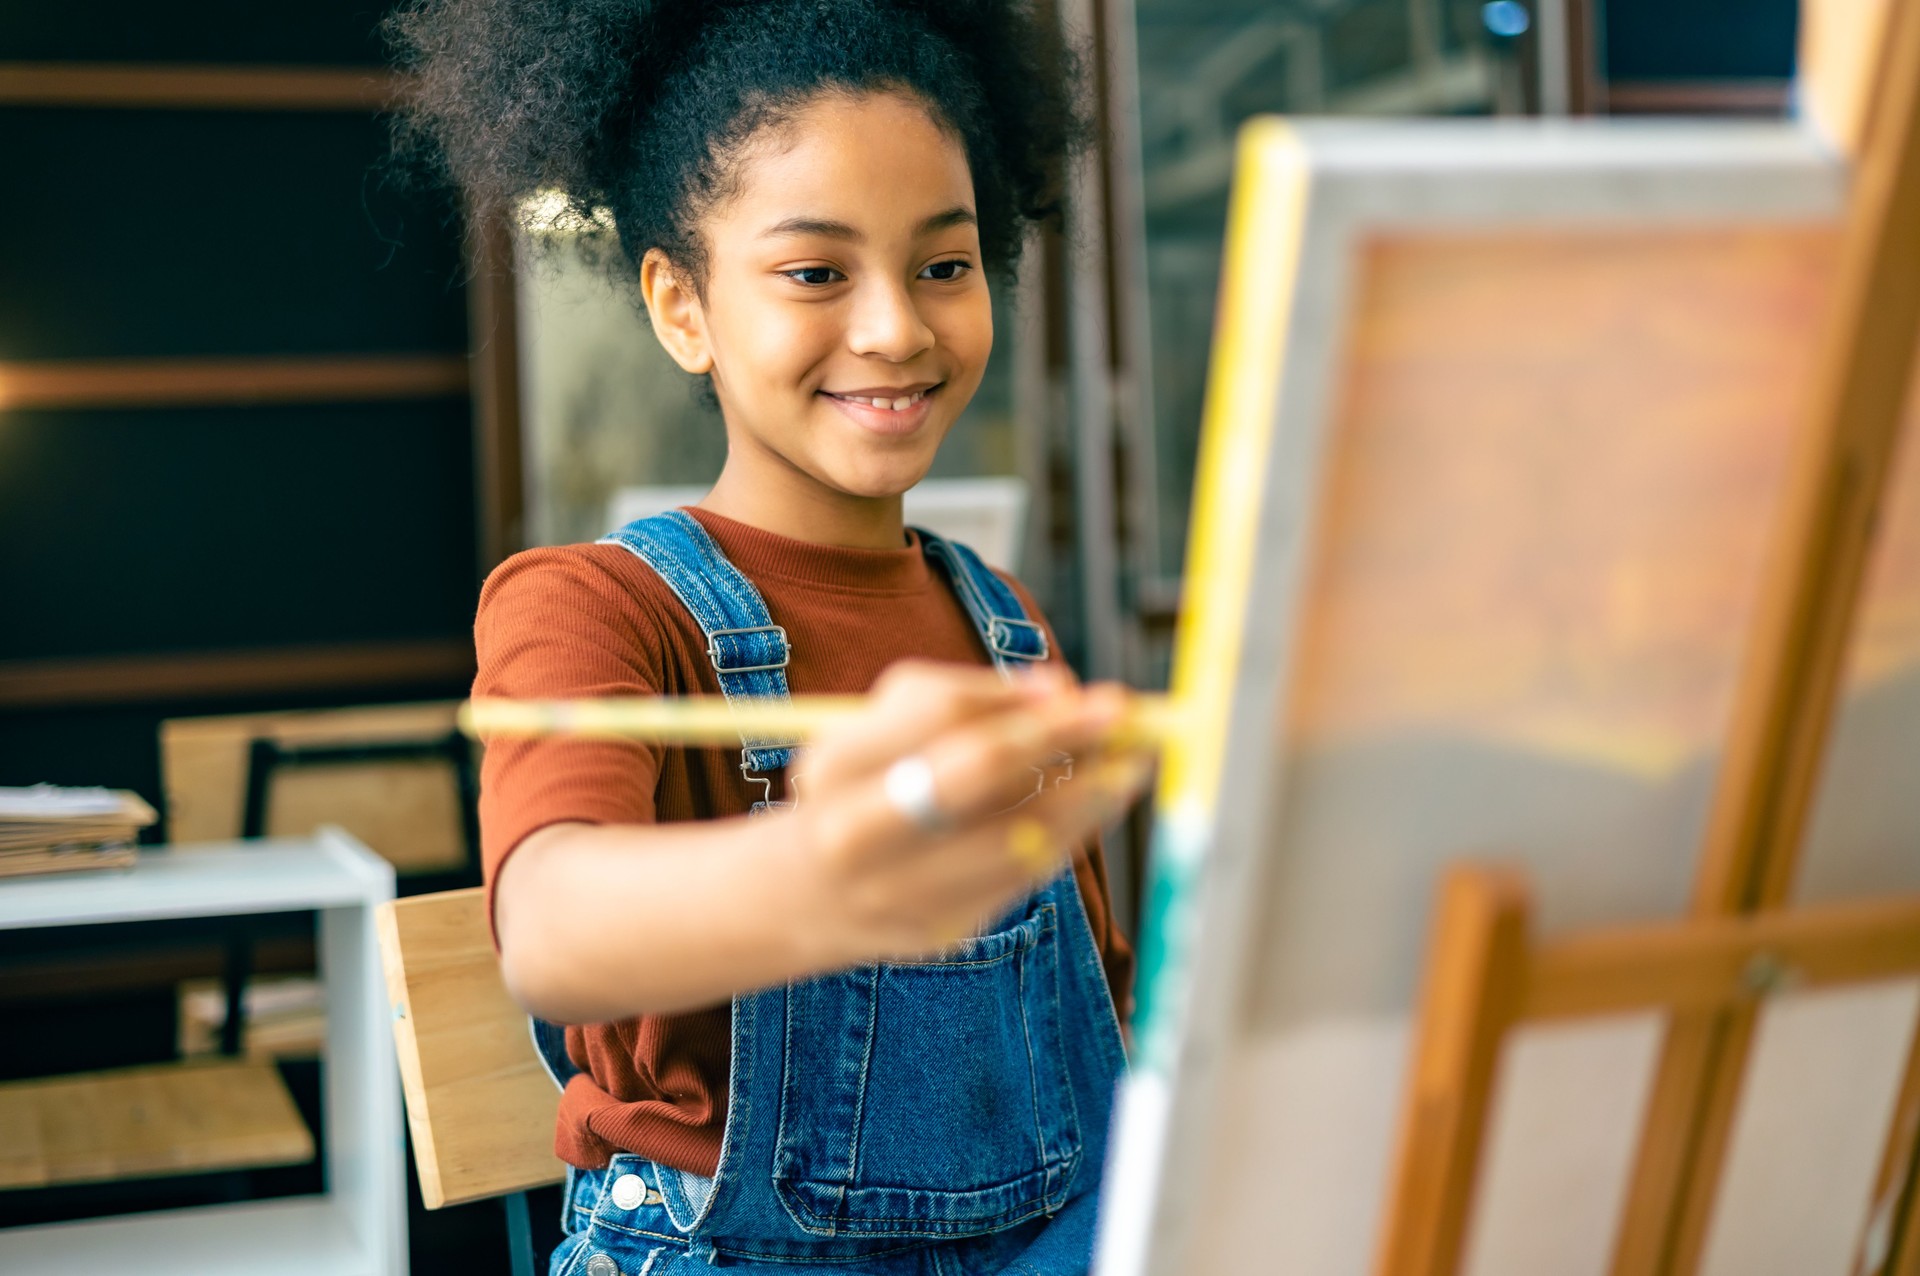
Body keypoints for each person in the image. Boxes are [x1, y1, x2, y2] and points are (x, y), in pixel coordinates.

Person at [386, 2, 1149, 1271]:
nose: (897, 326)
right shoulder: (590, 606)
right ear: (682, 306)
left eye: (945, 265)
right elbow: (556, 933)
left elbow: (1096, 1035)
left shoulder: (1007, 626)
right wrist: (830, 874)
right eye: (815, 272)